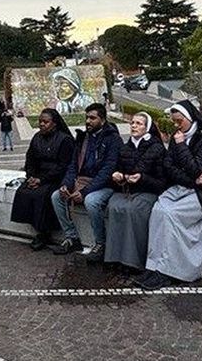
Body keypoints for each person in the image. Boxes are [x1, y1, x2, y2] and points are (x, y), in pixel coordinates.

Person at [137, 100, 202, 290]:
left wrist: (182, 147)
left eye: (179, 121)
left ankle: (170, 271)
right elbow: (169, 167)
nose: (176, 126)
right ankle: (154, 266)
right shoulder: (178, 137)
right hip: (187, 187)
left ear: (189, 119)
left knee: (171, 215)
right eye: (174, 122)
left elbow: (197, 167)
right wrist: (191, 179)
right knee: (159, 210)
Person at [50, 104, 121, 256]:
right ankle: (72, 239)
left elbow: (107, 171)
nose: (88, 121)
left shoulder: (113, 139)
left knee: (91, 201)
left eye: (92, 118)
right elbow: (73, 166)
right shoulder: (83, 138)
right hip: (82, 182)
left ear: (102, 120)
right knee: (57, 196)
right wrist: (66, 185)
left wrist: (84, 192)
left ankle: (101, 244)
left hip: (105, 185)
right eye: (87, 117)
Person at [104, 112, 168, 270]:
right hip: (126, 190)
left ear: (147, 127)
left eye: (139, 123)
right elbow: (116, 171)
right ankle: (115, 257)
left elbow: (162, 182)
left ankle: (133, 261)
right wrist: (116, 176)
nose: (133, 126)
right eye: (132, 123)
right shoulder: (125, 148)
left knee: (133, 210)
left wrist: (142, 178)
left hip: (148, 191)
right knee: (114, 207)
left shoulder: (157, 148)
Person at [10, 108, 75, 250]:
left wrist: (42, 180)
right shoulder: (37, 138)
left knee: (42, 195)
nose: (41, 124)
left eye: (45, 122)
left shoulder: (65, 140)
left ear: (54, 124)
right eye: (40, 121)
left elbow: (64, 166)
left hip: (56, 178)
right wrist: (31, 176)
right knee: (23, 192)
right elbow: (30, 159)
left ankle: (45, 232)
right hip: (38, 176)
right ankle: (38, 229)